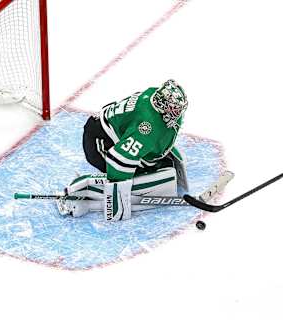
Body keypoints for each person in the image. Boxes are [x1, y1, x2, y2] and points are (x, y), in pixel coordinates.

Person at [57, 79, 189, 221]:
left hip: (106, 129)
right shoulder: (147, 127)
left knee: (161, 165)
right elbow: (119, 159)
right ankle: (79, 192)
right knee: (154, 173)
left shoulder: (152, 94)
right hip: (99, 145)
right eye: (173, 109)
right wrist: (118, 197)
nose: (176, 113)